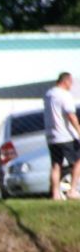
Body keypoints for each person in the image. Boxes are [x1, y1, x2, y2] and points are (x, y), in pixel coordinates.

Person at [43, 72, 80, 200]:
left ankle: (55, 194)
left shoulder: (48, 94)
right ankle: (72, 190)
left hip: (51, 136)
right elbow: (70, 115)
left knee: (55, 165)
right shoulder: (64, 95)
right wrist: (78, 130)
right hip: (65, 135)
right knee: (78, 161)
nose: (71, 86)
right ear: (66, 81)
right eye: (71, 83)